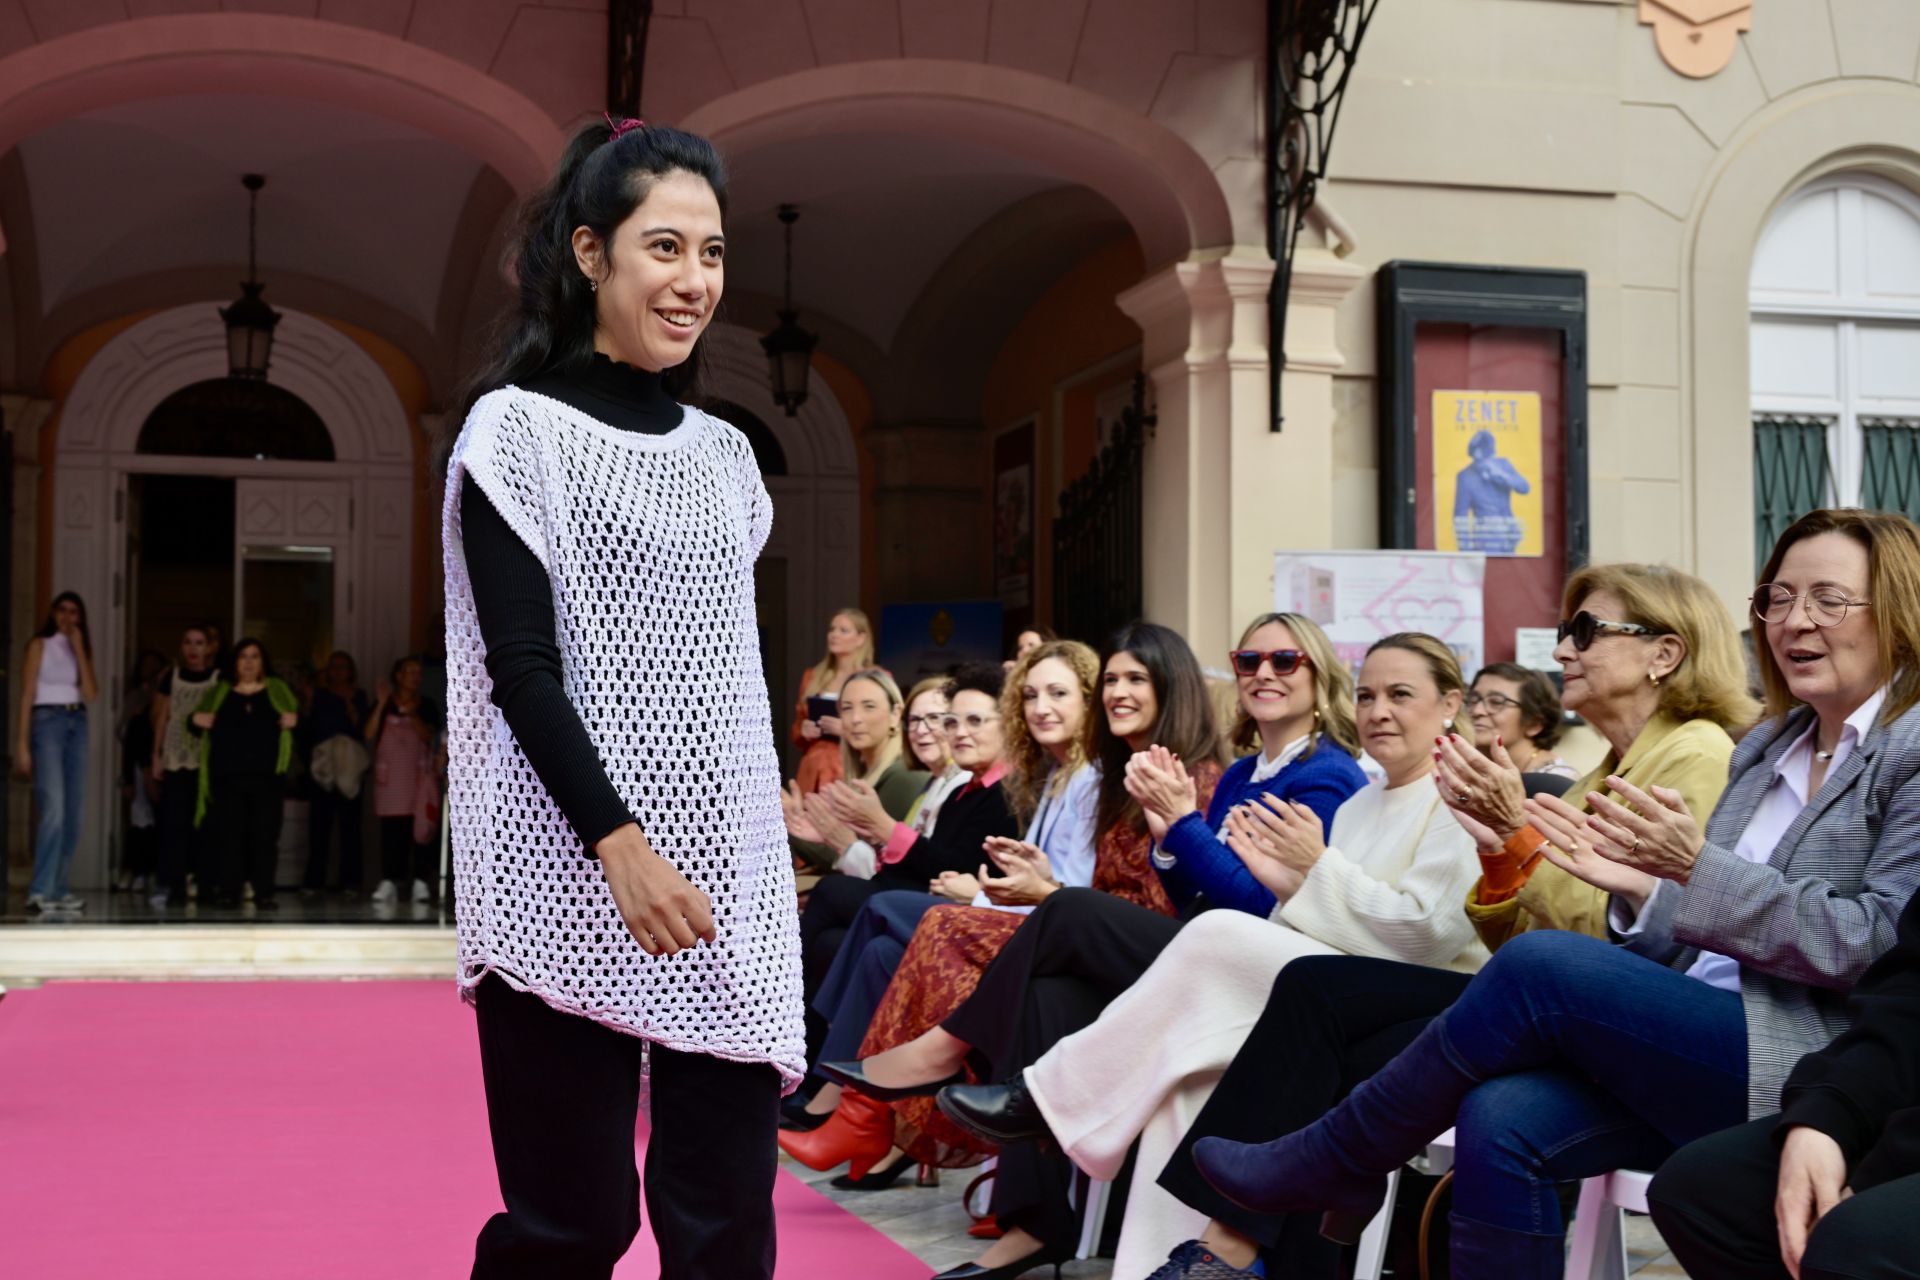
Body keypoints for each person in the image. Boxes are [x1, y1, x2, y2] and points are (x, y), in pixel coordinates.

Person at [1190, 508, 1920, 1278]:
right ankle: (1341, 1159)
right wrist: (1640, 894)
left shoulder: (1901, 749)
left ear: (1899, 614)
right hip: (1706, 1025)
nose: (1794, 620)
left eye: (1828, 600)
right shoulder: (1769, 746)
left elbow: (1882, 943)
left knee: (1541, 969)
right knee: (1501, 1116)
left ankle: (1341, 1154)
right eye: (1776, 598)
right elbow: (1700, 929)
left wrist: (1685, 871)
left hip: (1820, 1057)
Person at [1137, 561, 1754, 1278]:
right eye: (1366, 694)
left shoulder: (1697, 754)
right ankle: (1253, 1228)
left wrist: (1509, 840)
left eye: (1585, 632)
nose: (1560, 652)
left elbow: (1621, 937)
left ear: (1664, 653)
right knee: (1343, 1017)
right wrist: (1503, 855)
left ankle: (1244, 1228)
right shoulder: (1603, 771)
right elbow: (1530, 936)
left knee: (1320, 1007)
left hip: (1621, 1020)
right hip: (1541, 1004)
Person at [442, 117, 799, 1278]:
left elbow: (720, 684)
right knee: (574, 1223)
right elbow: (521, 670)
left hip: (724, 890)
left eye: (712, 251)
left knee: (726, 1226)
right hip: (563, 864)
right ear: (591, 254)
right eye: (664, 248)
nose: (695, 279)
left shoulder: (726, 455)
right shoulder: (517, 430)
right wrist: (619, 843)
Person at [829, 612, 1367, 1278]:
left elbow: (1264, 906)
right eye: (1249, 661)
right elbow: (1190, 896)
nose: (1262, 674)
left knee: (1064, 911)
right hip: (1201, 951)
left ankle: (944, 1048)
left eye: (1284, 662)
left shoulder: (1323, 775)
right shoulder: (1245, 771)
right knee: (1045, 992)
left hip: (1256, 973)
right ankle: (1034, 1225)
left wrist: (1176, 825)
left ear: (1319, 674)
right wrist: (1173, 839)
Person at [933, 633, 1488, 1278]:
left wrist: (1305, 871)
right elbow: (1305, 916)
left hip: (1411, 1006)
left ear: (1450, 703)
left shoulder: (1457, 793)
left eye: (1400, 695)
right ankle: (1159, 1267)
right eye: (1367, 695)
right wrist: (1282, 876)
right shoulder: (1361, 799)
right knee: (1184, 1075)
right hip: (1322, 987)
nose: (1378, 711)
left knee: (1203, 932)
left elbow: (1427, 936)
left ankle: (1051, 1099)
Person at [835, 623, 1229, 1183]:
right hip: (1100, 941)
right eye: (1111, 680)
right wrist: (1044, 882)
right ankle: (1023, 1219)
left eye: (1135, 679)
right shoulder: (1119, 778)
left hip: (1172, 958)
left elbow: (1181, 899)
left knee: (950, 919)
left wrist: (1050, 890)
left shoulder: (1195, 776)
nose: (1117, 692)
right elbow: (1100, 890)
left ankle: (928, 1068)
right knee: (1032, 986)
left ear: (1172, 687)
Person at [779, 639, 1104, 1172]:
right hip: (1001, 914)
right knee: (880, 948)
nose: (956, 734)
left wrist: (890, 840)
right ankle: (859, 1113)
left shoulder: (1029, 785)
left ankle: (830, 1084)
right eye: (1031, 696)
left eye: (973, 721)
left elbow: (1056, 887)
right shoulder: (991, 787)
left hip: (1019, 924)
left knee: (873, 911)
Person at [1649, 888, 1920, 1280]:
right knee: (1703, 1190)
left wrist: (1887, 1163)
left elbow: (1863, 938)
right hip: (1870, 1071)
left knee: (1547, 965)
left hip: (1792, 1026)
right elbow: (1909, 991)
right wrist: (1827, 1115)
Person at [190, 638, 299, 910]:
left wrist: (295, 720)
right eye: (243, 657)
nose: (249, 662)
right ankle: (229, 891)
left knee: (264, 837)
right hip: (228, 778)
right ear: (235, 663)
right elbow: (196, 722)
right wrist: (194, 719)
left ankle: (263, 892)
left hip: (267, 779)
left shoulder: (277, 690)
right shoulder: (220, 692)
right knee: (230, 837)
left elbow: (299, 720)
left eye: (255, 656)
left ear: (263, 662)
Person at [784, 668, 922, 874]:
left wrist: (790, 824)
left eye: (869, 707)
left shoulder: (903, 776)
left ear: (896, 714)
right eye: (847, 708)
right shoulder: (866, 775)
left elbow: (867, 867)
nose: (855, 718)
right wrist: (798, 825)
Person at [16, 592, 100, 914]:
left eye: (74, 612)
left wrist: (79, 648)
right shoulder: (39, 645)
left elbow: (91, 693)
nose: (67, 617)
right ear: (53, 613)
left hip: (76, 720)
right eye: (62, 610)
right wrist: (22, 743)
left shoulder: (80, 647)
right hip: (47, 720)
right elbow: (26, 694)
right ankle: (40, 889)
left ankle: (59, 887)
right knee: (54, 808)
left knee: (74, 813)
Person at [149, 624, 221, 908]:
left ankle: (205, 884)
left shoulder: (218, 678)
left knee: (205, 823)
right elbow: (162, 718)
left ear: (208, 648)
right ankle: (174, 885)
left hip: (205, 756)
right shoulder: (173, 676)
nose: (193, 648)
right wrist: (156, 755)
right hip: (176, 754)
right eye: (188, 642)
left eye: (199, 643)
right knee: (174, 823)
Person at [365, 656, 442, 906]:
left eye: (418, 672)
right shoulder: (385, 704)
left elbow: (429, 735)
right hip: (391, 779)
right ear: (397, 675)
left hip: (419, 777)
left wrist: (412, 714)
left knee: (422, 828)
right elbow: (368, 733)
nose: (415, 677)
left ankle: (420, 881)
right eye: (409, 671)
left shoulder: (427, 705)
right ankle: (390, 881)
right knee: (392, 830)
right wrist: (382, 703)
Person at [303, 650, 371, 895]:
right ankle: (314, 881)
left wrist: (352, 709)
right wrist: (309, 702)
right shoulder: (320, 695)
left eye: (342, 666)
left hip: (350, 767)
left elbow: (364, 730)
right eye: (333, 667)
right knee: (319, 828)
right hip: (324, 766)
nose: (337, 671)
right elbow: (310, 729)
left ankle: (351, 882)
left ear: (351, 671)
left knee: (350, 828)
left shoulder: (360, 696)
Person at [792, 608, 876, 793]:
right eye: (832, 629)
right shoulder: (813, 676)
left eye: (843, 630)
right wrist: (804, 730)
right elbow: (796, 730)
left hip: (850, 767)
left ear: (861, 638)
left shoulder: (874, 678)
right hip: (813, 768)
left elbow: (885, 732)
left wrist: (846, 730)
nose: (834, 635)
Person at [1465, 661, 1576, 781]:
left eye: (1496, 702)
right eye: (1473, 699)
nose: (1477, 711)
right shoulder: (1468, 770)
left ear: (1534, 723)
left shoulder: (1555, 779)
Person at [116, 648, 167, 894]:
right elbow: (128, 742)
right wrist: (132, 777)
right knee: (140, 823)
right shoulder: (138, 710)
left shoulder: (167, 706)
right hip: (141, 769)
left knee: (160, 823)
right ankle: (136, 870)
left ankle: (154, 872)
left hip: (164, 769)